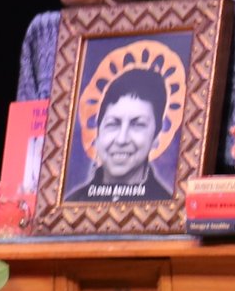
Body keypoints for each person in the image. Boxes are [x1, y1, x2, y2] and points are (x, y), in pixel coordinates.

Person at [65, 67, 172, 202]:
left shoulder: (167, 208)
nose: (122, 139)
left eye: (137, 125)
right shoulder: (71, 206)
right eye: (113, 124)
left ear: (156, 137)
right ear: (97, 135)